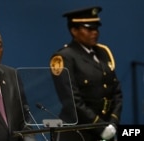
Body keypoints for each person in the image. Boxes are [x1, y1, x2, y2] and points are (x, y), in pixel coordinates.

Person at [49, 6, 123, 141]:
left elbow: (116, 92)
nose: (94, 33)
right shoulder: (64, 57)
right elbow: (72, 100)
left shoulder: (103, 53)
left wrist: (113, 122)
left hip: (107, 129)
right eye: (89, 29)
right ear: (74, 31)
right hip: (79, 131)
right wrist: (100, 127)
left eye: (96, 29)